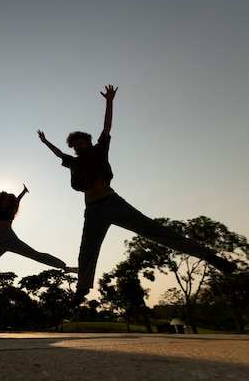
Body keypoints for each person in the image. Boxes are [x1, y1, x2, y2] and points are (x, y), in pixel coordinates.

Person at [37, 84, 236, 307]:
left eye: (80, 143)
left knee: (153, 229)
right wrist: (45, 143)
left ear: (87, 142)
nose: (77, 147)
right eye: (74, 146)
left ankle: (210, 256)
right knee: (87, 249)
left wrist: (109, 101)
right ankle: (82, 289)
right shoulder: (73, 162)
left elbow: (106, 128)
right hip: (92, 211)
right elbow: (59, 155)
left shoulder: (99, 150)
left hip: (112, 204)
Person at [0, 177, 76, 300]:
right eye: (4, 200)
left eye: (8, 201)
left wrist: (23, 192)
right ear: (0, 200)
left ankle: (65, 267)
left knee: (35, 254)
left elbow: (18, 200)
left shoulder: (11, 211)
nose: (6, 202)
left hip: (11, 239)